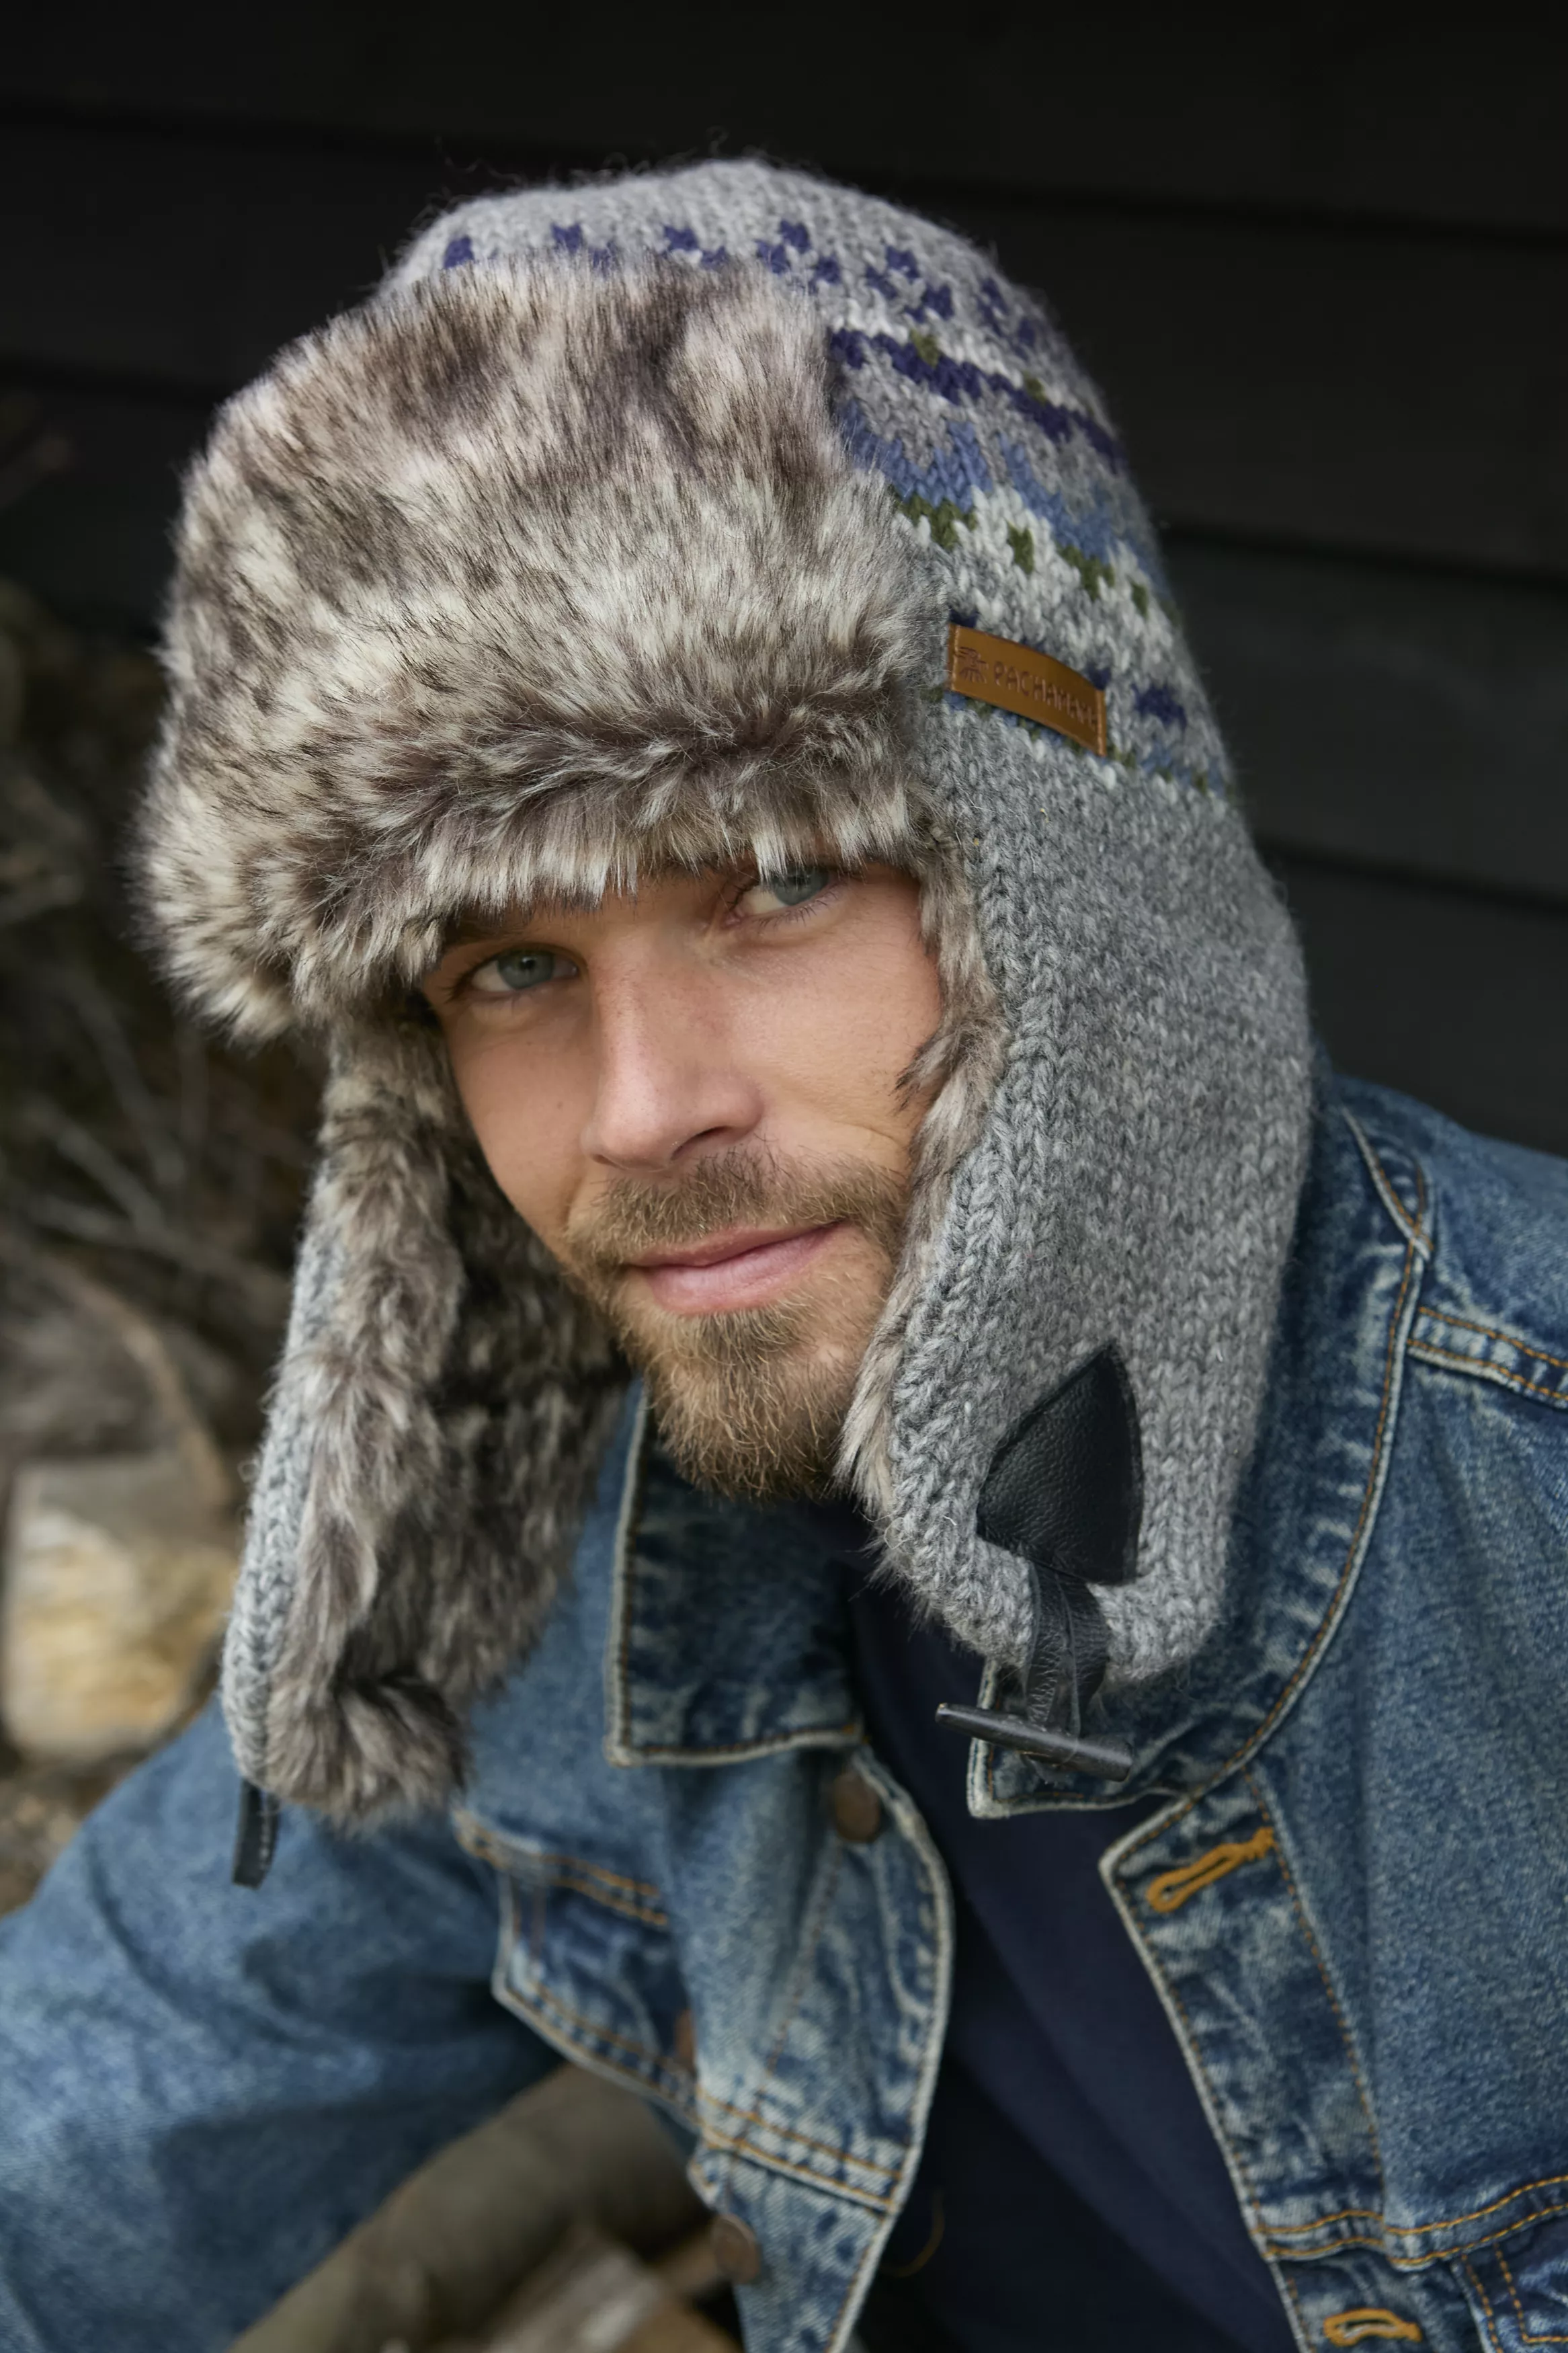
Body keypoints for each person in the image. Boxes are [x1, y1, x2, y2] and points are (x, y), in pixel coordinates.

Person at [2, 159, 1565, 2353]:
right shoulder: (560, 1573)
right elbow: (98, 2096)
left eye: (773, 879)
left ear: (1078, 885)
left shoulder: (1525, 1483)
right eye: (510, 965)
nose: (639, 1107)